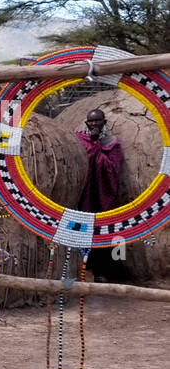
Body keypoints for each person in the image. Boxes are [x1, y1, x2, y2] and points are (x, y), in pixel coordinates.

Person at [76, 109, 129, 282]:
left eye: (97, 121)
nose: (94, 124)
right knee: (87, 234)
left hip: (106, 196)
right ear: (86, 123)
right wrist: (92, 144)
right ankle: (91, 271)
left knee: (110, 234)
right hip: (87, 195)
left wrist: (97, 146)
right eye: (91, 121)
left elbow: (113, 169)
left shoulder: (112, 143)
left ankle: (113, 273)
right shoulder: (81, 141)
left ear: (104, 121)